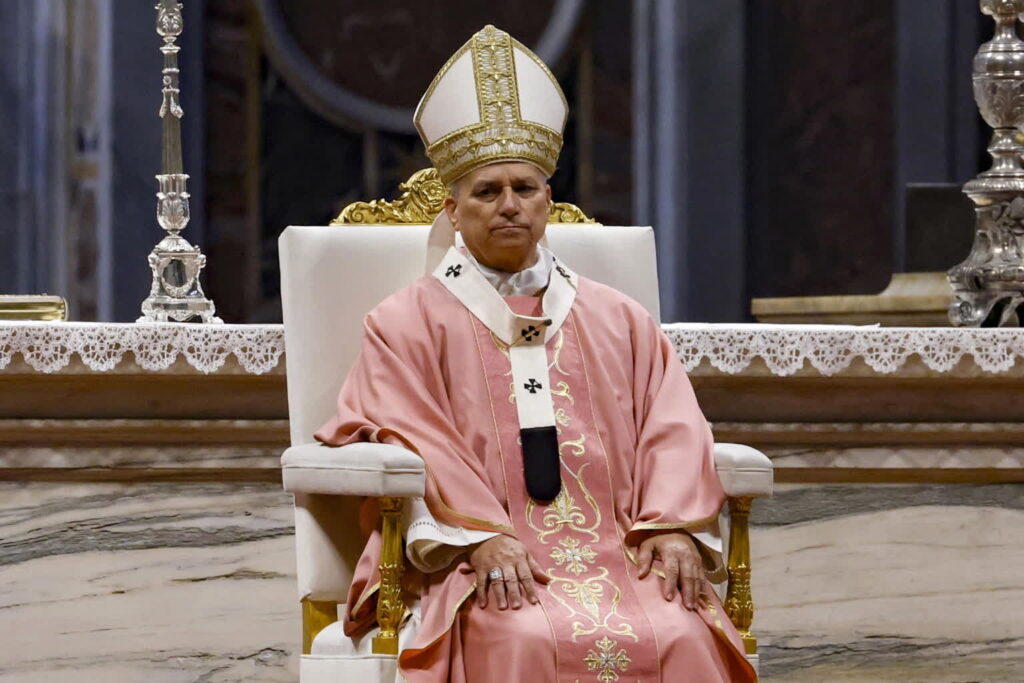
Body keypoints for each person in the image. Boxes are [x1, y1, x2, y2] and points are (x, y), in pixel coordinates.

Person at [315, 24, 757, 683]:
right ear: (452, 208)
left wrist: (670, 526)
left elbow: (673, 427)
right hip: (481, 561)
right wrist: (478, 537)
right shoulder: (405, 323)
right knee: (521, 634)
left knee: (681, 630)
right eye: (487, 191)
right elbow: (408, 433)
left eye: (524, 188)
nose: (509, 206)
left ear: (549, 200)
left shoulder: (619, 319)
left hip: (622, 554)